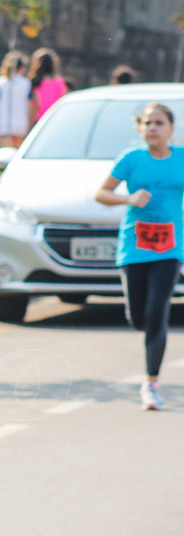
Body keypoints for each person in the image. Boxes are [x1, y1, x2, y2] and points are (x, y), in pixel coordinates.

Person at [95, 102, 183, 411]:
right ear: (140, 128)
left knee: (157, 313)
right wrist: (129, 197)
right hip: (135, 246)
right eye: (147, 123)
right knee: (139, 318)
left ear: (171, 129)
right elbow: (101, 193)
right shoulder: (131, 160)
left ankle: (151, 382)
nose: (153, 128)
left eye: (159, 123)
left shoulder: (181, 159)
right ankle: (147, 335)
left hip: (170, 248)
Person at [0, 50, 31, 148]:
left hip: (4, 126)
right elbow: (31, 107)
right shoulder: (27, 84)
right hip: (22, 127)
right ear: (22, 68)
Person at [28, 48, 67, 123]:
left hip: (40, 120)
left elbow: (36, 106)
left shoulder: (35, 82)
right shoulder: (59, 83)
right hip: (55, 119)